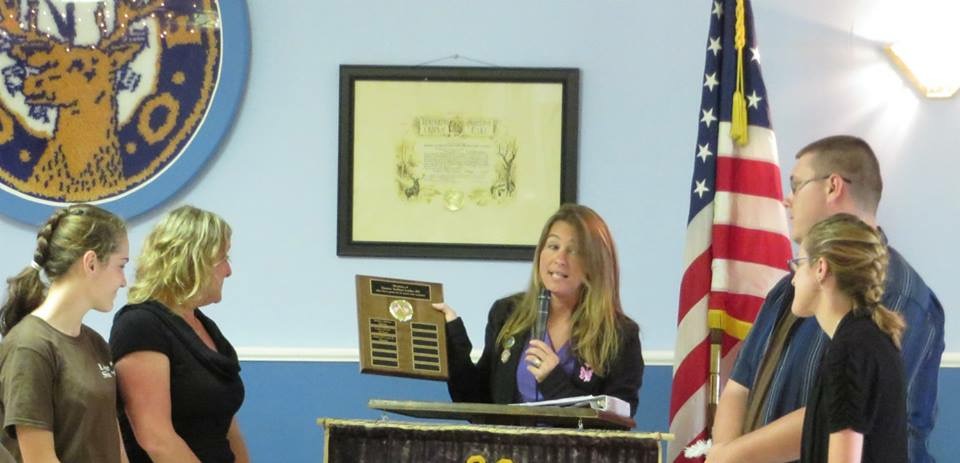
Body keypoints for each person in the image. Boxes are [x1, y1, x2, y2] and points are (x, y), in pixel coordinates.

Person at [708, 135, 944, 463]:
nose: (786, 200)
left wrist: (732, 457)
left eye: (796, 184)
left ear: (833, 186)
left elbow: (847, 414)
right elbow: (740, 386)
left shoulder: (897, 295)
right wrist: (725, 453)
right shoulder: (786, 290)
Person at [433, 204, 644, 416]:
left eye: (574, 251)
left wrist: (553, 380)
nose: (560, 259)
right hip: (506, 448)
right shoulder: (507, 313)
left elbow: (617, 423)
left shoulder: (621, 334)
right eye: (553, 246)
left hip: (574, 449)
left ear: (594, 263)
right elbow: (477, 401)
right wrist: (453, 341)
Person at [109, 206, 249, 463]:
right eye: (223, 259)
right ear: (192, 260)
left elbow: (226, 424)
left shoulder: (205, 327)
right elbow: (156, 438)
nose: (228, 270)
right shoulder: (140, 325)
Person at [0, 204, 129, 462]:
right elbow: (39, 459)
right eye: (121, 266)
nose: (123, 281)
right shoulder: (30, 347)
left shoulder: (96, 343)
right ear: (91, 263)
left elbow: (115, 446)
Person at [790, 213, 906, 462]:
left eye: (798, 264)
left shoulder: (849, 350)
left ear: (821, 268)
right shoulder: (874, 338)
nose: (793, 278)